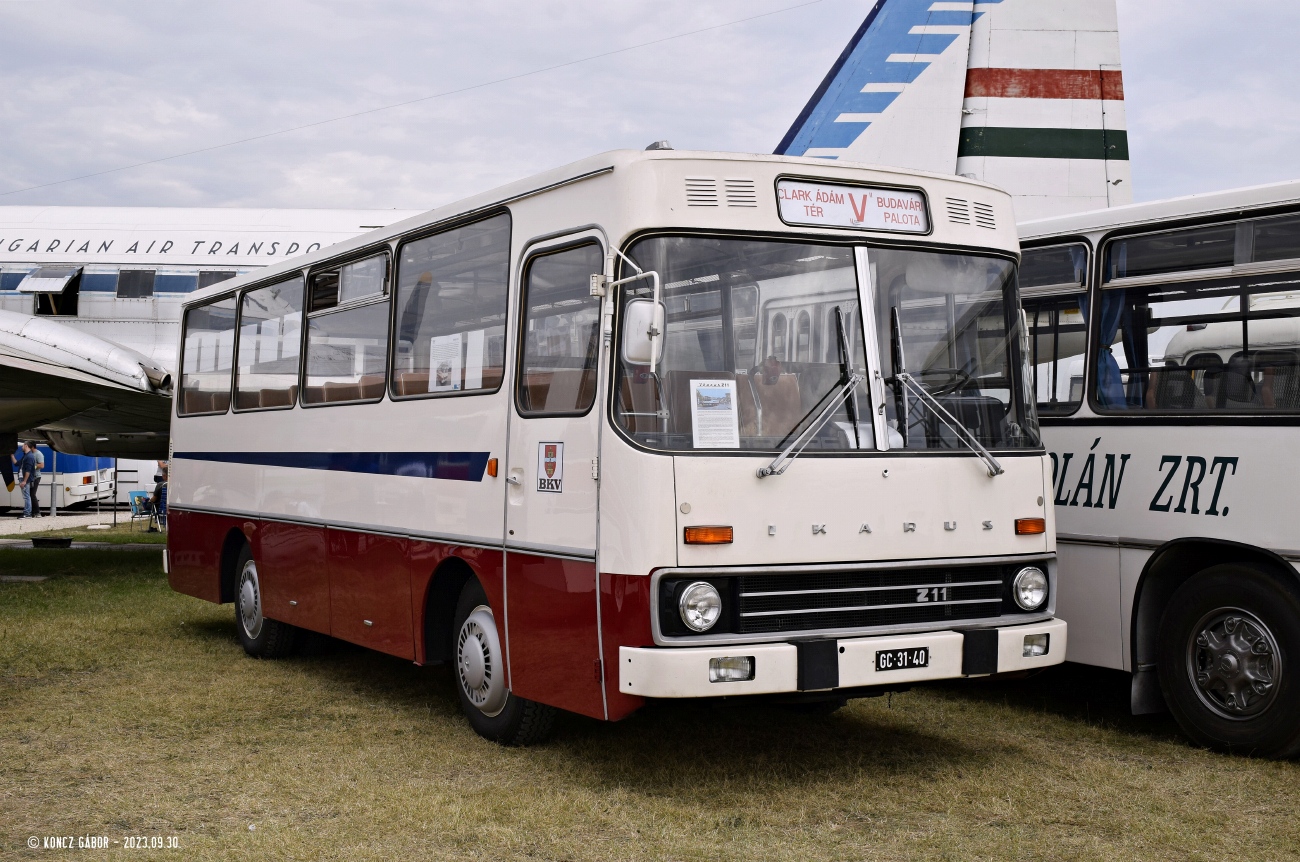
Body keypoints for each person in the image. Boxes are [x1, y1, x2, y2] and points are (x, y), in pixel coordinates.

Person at [11, 442, 37, 518]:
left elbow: (28, 470)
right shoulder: (25, 456)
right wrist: (12, 456)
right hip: (23, 478)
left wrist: (24, 481)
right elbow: (16, 463)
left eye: (23, 446)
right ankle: (27, 512)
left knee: (26, 496)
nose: (22, 447)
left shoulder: (29, 457)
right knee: (26, 496)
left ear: (26, 446)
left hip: (25, 479)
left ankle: (27, 513)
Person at [27, 443, 43, 518]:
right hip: (31, 477)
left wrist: (33, 466)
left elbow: (42, 465)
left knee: (32, 494)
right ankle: (32, 512)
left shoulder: (38, 454)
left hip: (36, 477)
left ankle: (37, 512)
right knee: (30, 494)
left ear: (32, 447)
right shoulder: (30, 453)